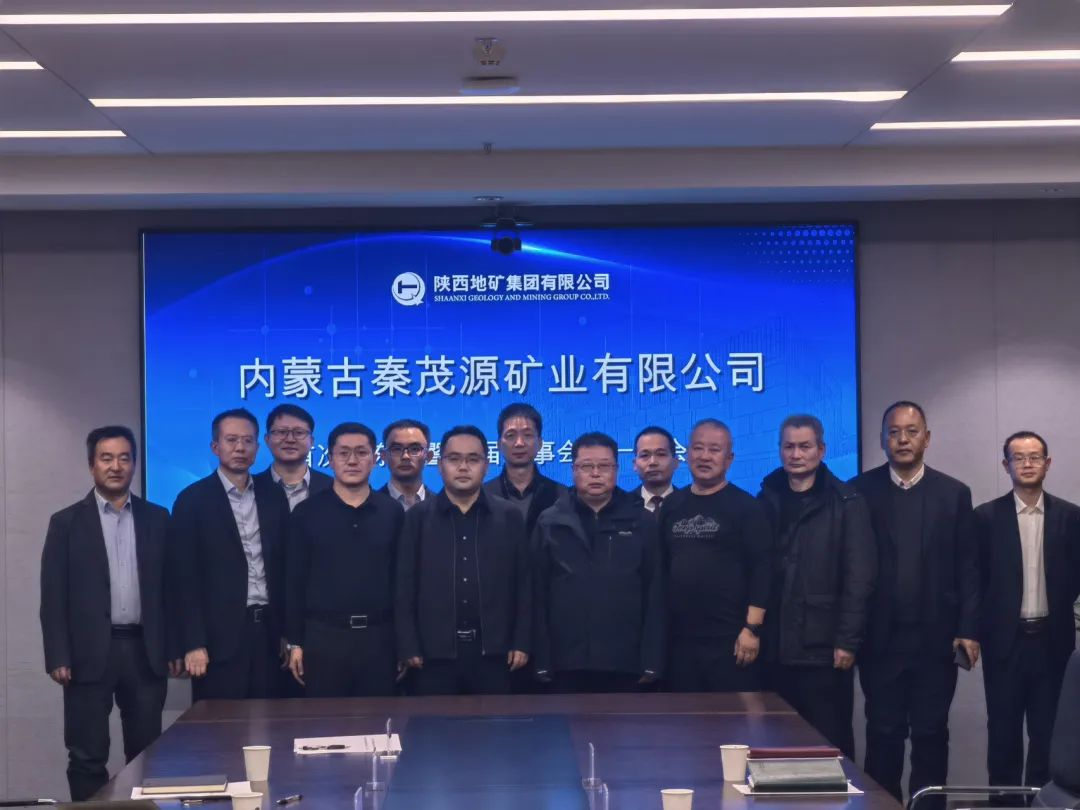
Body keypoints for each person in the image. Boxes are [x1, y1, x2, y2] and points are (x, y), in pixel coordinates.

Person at [850, 401, 980, 805]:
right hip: (879, 641)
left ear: (927, 438)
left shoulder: (953, 493)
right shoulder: (859, 491)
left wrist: (968, 629)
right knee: (882, 734)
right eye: (893, 432)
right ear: (882, 440)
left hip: (936, 641)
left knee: (930, 734)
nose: (902, 440)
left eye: (911, 431)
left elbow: (968, 567)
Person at [40, 426, 178, 801]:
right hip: (86, 654)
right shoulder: (66, 523)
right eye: (106, 458)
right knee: (86, 755)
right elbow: (53, 597)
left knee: (147, 754)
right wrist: (58, 655)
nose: (116, 466)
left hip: (144, 650)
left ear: (134, 464)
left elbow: (171, 590)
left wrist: (174, 647)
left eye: (124, 458)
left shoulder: (157, 518)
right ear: (92, 466)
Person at [757, 414, 876, 758]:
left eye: (804, 446)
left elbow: (859, 576)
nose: (796, 454)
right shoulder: (766, 498)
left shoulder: (847, 501)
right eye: (788, 447)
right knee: (774, 744)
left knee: (827, 744)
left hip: (824, 648)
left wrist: (847, 640)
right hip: (774, 646)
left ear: (821, 450)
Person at [976, 431, 1080, 787]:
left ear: (1047, 464)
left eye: (1034, 457)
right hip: (1005, 644)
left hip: (1053, 642)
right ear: (1006, 465)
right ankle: (1004, 806)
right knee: (1003, 736)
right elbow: (975, 581)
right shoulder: (986, 517)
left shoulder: (1071, 517)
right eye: (1018, 457)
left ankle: (1042, 804)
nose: (1027, 463)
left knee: (1048, 735)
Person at [395, 425, 531, 695]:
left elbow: (524, 585)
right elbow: (404, 587)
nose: (463, 467)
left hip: (496, 653)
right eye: (454, 459)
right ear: (439, 464)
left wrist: (522, 640)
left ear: (487, 465)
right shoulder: (417, 518)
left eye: (473, 459)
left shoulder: (509, 517)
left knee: (495, 722)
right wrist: (408, 644)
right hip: (433, 655)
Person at [170, 408, 290, 700]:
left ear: (257, 448)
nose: (240, 448)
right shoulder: (192, 500)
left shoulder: (274, 495)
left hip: (270, 634)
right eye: (231, 440)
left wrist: (289, 633)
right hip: (217, 640)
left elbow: (286, 568)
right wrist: (193, 642)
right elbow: (183, 578)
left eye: (247, 441)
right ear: (215, 447)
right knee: (219, 724)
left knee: (272, 720)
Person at [532, 432, 665, 692]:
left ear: (616, 470)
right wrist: (541, 660)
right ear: (573, 470)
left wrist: (652, 660)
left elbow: (655, 593)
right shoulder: (550, 521)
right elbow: (537, 594)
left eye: (604, 466)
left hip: (626, 662)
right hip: (565, 662)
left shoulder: (641, 521)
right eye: (586, 466)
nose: (595, 474)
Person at [285, 422, 403, 697]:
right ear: (330, 458)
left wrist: (403, 643)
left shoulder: (392, 512)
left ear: (375, 458)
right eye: (343, 453)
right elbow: (294, 581)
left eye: (361, 452)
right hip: (323, 640)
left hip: (380, 639)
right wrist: (295, 642)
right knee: (324, 721)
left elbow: (402, 582)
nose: (352, 460)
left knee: (379, 720)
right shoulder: (306, 512)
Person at [660, 418, 771, 692]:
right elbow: (662, 566)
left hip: (731, 639)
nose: (705, 456)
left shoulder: (747, 507)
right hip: (679, 641)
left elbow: (762, 570)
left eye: (714, 449)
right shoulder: (672, 504)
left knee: (731, 717)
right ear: (687, 454)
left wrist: (752, 629)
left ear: (729, 459)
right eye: (698, 448)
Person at [484, 403, 566, 535]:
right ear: (498, 444)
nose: (519, 443)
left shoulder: (562, 496)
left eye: (527, 435)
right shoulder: (483, 495)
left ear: (540, 443)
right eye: (511, 436)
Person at [253, 403, 333, 512]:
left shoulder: (332, 488)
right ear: (267, 439)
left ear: (311, 441)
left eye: (299, 433)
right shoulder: (250, 487)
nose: (290, 439)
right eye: (281, 432)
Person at [379, 418, 433, 510]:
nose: (405, 456)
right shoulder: (367, 508)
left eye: (415, 449)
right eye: (396, 449)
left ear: (428, 456)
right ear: (384, 456)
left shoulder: (445, 509)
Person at [631, 425, 681, 512]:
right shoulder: (621, 507)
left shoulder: (690, 504)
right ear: (635, 464)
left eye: (661, 454)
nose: (653, 462)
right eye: (645, 455)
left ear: (675, 462)